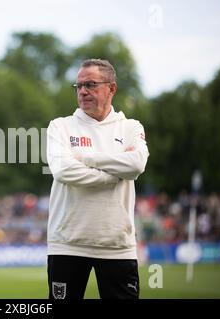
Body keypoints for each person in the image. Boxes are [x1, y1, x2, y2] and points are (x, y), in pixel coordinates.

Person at [46, 58, 149, 299]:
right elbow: (62, 170)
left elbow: (136, 164)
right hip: (67, 244)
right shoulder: (60, 127)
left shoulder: (130, 127)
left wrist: (87, 157)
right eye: (78, 86)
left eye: (90, 84)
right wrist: (113, 175)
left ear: (111, 88)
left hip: (117, 247)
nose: (82, 91)